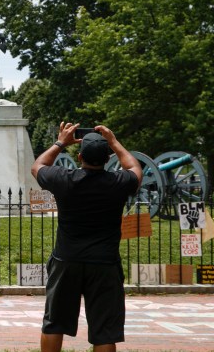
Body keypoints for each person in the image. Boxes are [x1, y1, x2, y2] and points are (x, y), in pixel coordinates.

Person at [31, 123, 142, 352]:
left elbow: (38, 166)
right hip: (104, 263)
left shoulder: (64, 179)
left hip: (66, 260)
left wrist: (61, 141)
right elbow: (134, 167)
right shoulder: (118, 183)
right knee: (104, 331)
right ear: (108, 158)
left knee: (54, 324)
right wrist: (113, 140)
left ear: (80, 156)